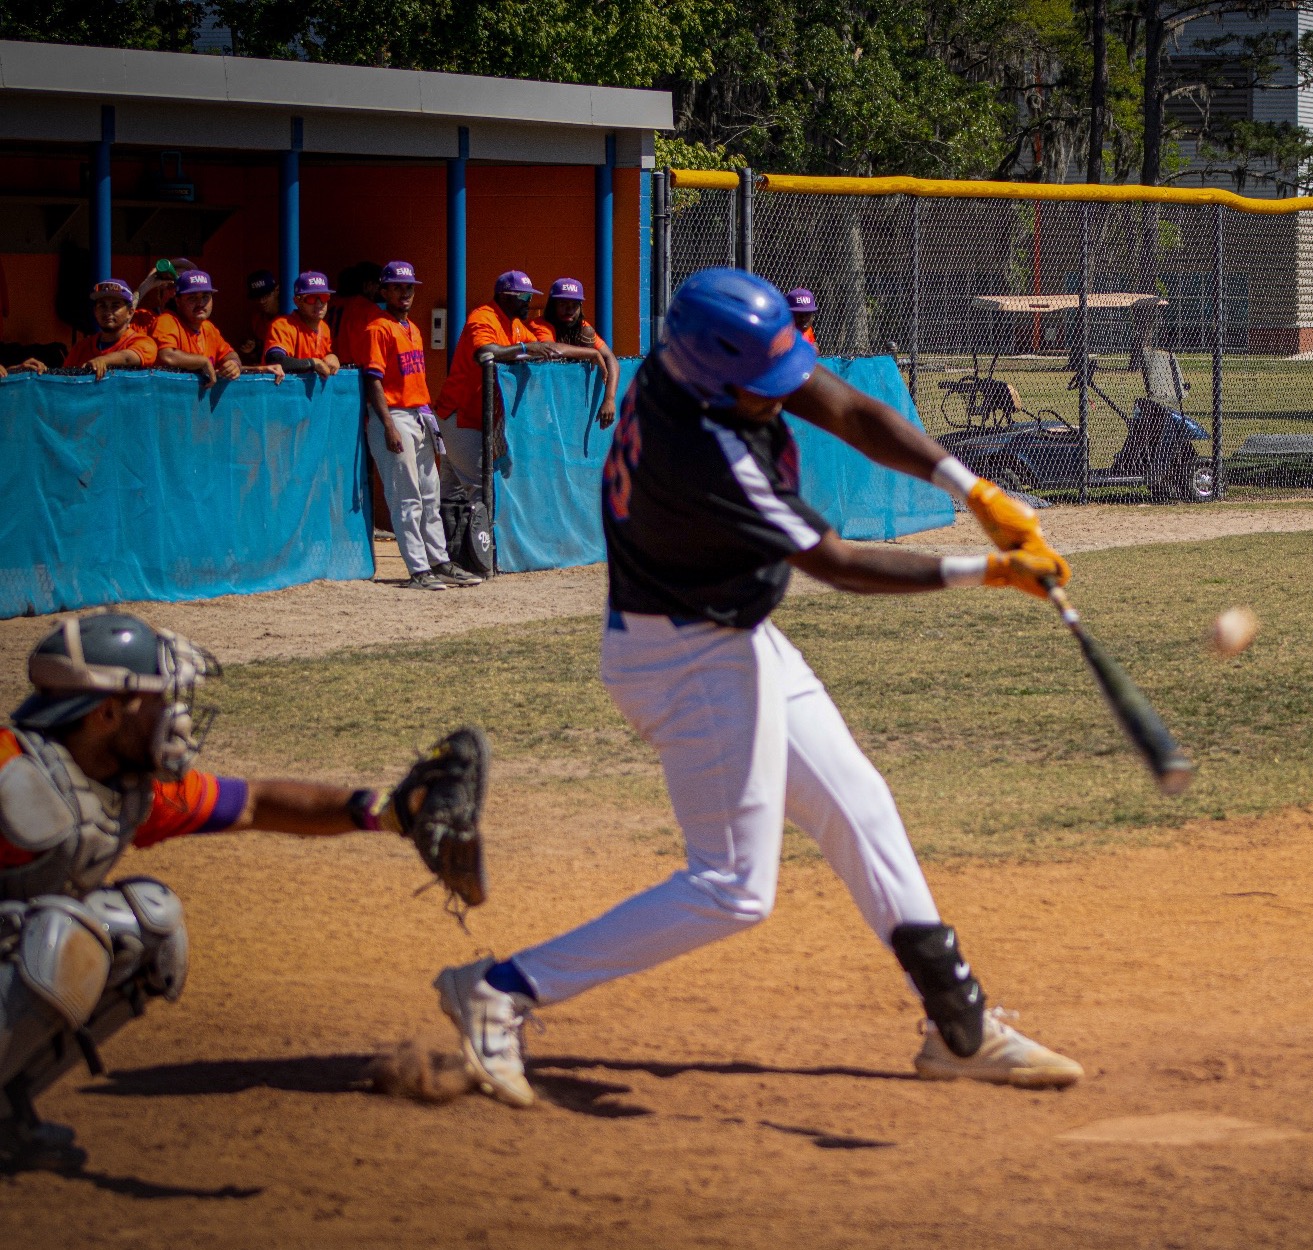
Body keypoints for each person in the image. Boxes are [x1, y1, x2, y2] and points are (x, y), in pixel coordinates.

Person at [432, 268, 1084, 1108]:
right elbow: (838, 564)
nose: (779, 395)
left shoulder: (700, 365)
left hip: (733, 637)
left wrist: (973, 489)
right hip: (688, 661)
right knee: (733, 887)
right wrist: (985, 572)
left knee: (861, 805)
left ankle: (961, 1028)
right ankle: (500, 988)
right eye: (760, 387)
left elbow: (848, 409)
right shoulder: (703, 454)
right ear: (714, 379)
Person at [0, 612, 487, 1170]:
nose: (176, 715)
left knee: (146, 930)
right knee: (61, 939)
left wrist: (388, 812)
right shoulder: (11, 773)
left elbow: (253, 802)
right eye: (160, 700)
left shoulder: (123, 789)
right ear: (107, 713)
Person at [362, 261, 482, 591]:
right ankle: (417, 570)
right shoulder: (378, 327)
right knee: (407, 499)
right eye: (398, 287)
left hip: (419, 415)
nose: (405, 293)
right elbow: (372, 380)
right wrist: (388, 425)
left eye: (409, 287)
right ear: (384, 291)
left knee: (431, 496)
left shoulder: (412, 328)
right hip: (394, 415)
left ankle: (439, 562)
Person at [435, 270, 563, 497]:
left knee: (452, 496)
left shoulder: (514, 323)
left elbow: (539, 348)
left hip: (481, 417)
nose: (529, 302)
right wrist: (524, 349)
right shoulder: (483, 317)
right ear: (505, 297)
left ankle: (450, 533)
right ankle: (482, 534)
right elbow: (484, 352)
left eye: (530, 297)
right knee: (484, 492)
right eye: (523, 297)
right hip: (461, 416)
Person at [153, 270, 275, 386]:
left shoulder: (208, 327)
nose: (200, 303)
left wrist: (234, 364)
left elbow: (230, 354)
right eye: (192, 298)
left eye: (205, 297)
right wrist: (203, 361)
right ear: (178, 301)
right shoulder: (167, 320)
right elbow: (167, 355)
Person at [531, 276, 621, 428]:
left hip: (566, 400)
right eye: (563, 303)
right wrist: (591, 353)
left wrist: (609, 399)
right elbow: (552, 349)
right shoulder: (540, 325)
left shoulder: (581, 326)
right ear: (552, 305)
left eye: (574, 305)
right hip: (537, 397)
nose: (569, 309)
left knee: (588, 332)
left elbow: (611, 358)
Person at [60, 279, 158, 379]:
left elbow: (128, 358)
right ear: (95, 311)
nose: (108, 312)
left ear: (130, 312)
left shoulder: (144, 342)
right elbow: (62, 382)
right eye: (102, 306)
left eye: (115, 306)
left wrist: (103, 360)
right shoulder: (80, 349)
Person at [262, 270, 340, 379]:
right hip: (278, 392)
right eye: (311, 298)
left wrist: (332, 357)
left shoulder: (324, 327)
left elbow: (326, 357)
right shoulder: (282, 325)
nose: (319, 304)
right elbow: (275, 359)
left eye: (323, 297)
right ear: (297, 301)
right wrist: (312, 363)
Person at [330, 261, 387, 370]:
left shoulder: (330, 304)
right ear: (368, 285)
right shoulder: (367, 309)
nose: (381, 290)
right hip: (352, 372)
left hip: (330, 369)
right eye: (379, 285)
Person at [239, 269, 281, 360]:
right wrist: (253, 350)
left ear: (277, 290)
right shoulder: (257, 320)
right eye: (257, 297)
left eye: (266, 296)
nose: (262, 301)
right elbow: (259, 357)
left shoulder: (289, 314)